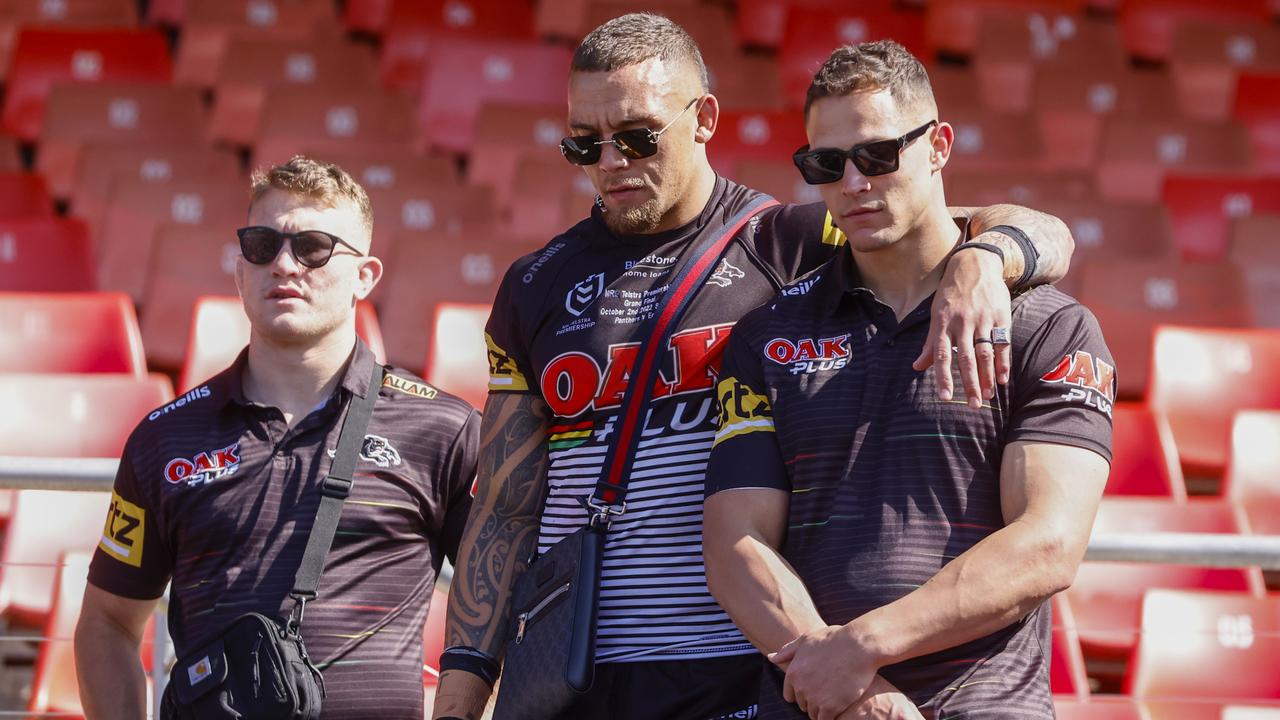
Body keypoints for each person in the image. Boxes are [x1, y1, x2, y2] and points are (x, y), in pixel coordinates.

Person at [432, 14, 1078, 720]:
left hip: (733, 666)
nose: (610, 162)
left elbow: (978, 223)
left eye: (638, 137)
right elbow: (503, 506)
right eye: (584, 143)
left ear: (704, 117)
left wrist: (988, 258)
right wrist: (461, 700)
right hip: (566, 666)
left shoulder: (795, 238)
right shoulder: (533, 283)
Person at [701, 40, 1114, 720]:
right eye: (826, 164)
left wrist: (861, 649)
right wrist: (851, 690)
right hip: (820, 705)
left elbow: (1047, 546)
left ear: (939, 145)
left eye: (878, 155)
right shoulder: (767, 335)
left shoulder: (1050, 325)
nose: (854, 183)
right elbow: (734, 544)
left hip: (984, 704)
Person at [74, 156, 480, 720]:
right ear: (241, 271)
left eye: (314, 247)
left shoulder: (443, 428)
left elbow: (500, 603)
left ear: (365, 275)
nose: (284, 264)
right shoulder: (164, 438)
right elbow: (107, 622)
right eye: (262, 245)